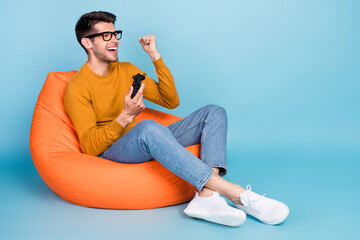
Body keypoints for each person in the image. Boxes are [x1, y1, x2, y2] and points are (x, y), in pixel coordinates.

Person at [63, 11, 289, 227]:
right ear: (87, 43)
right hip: (113, 151)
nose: (114, 40)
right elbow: (91, 148)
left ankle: (207, 197)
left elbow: (169, 100)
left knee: (214, 112)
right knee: (148, 127)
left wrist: (155, 56)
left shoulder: (126, 70)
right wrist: (125, 116)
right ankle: (236, 194)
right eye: (105, 36)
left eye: (115, 34)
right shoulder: (77, 87)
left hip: (144, 140)